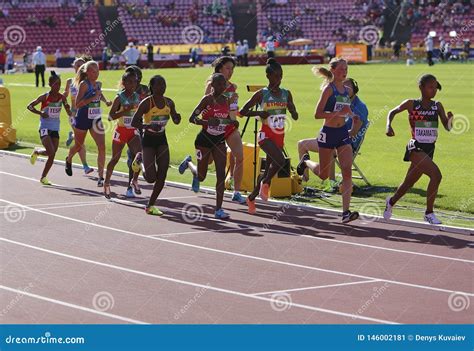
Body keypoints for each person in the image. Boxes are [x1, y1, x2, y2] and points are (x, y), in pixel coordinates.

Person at [296, 58, 361, 223]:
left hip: (342, 133)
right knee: (324, 175)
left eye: (346, 69)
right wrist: (338, 114)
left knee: (347, 171)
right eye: (341, 69)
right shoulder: (328, 90)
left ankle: (345, 212)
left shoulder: (346, 90)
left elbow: (345, 111)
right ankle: (305, 162)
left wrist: (353, 117)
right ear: (333, 70)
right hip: (328, 133)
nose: (344, 72)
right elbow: (317, 114)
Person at [384, 74, 454, 225]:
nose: (434, 90)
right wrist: (388, 125)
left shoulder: (437, 106)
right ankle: (429, 213)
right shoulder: (412, 104)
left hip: (429, 149)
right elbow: (392, 112)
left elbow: (447, 127)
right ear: (421, 88)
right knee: (436, 175)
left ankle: (391, 201)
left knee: (409, 183)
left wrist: (450, 120)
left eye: (435, 87)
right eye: (430, 87)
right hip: (415, 147)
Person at [239, 59, 298, 214]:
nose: (278, 79)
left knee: (269, 170)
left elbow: (293, 111)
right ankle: (266, 183)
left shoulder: (286, 93)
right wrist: (258, 113)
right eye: (275, 76)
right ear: (268, 76)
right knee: (279, 161)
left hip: (279, 136)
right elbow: (242, 111)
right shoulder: (261, 94)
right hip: (265, 135)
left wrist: (293, 111)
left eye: (281, 76)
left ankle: (251, 198)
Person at [186, 56, 245, 204]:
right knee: (207, 166)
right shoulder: (210, 86)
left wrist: (236, 113)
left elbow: (233, 110)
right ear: (219, 69)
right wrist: (211, 121)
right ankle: (191, 166)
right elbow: (206, 109)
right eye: (227, 68)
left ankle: (236, 192)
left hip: (229, 127)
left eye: (232, 69)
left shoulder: (233, 87)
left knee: (240, 156)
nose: (230, 72)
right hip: (211, 130)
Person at [179, 73, 237, 219]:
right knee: (201, 176)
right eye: (219, 84)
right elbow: (192, 118)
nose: (222, 87)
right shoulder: (207, 100)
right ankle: (189, 163)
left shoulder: (226, 100)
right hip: (204, 140)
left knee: (220, 175)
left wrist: (232, 123)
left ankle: (218, 209)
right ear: (213, 85)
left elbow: (225, 120)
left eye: (224, 84)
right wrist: (207, 122)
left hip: (219, 140)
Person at [297, 78, 368, 192]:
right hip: (332, 139)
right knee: (301, 144)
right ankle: (304, 181)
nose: (344, 88)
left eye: (347, 86)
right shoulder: (340, 101)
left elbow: (353, 132)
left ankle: (332, 183)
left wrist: (338, 135)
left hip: (347, 143)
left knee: (331, 148)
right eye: (343, 85)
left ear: (354, 90)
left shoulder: (360, 107)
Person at [131, 75, 181, 215]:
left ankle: (150, 205)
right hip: (148, 140)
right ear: (152, 87)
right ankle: (139, 161)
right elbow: (134, 122)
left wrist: (177, 118)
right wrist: (148, 125)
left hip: (161, 139)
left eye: (163, 84)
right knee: (150, 178)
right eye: (158, 85)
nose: (162, 87)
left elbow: (175, 119)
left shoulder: (169, 102)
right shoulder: (147, 103)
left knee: (162, 174)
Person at [65, 61, 112, 186]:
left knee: (102, 147)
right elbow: (78, 104)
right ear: (87, 72)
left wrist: (106, 101)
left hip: (96, 118)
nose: (96, 73)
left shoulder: (98, 84)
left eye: (97, 71)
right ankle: (69, 159)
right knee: (79, 146)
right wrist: (93, 97)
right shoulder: (83, 84)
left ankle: (101, 177)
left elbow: (99, 94)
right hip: (83, 118)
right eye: (93, 71)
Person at [27, 71, 71, 185]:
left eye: (59, 84)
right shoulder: (44, 97)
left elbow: (68, 111)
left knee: (52, 153)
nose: (58, 86)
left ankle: (43, 176)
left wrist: (70, 111)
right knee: (51, 152)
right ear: (50, 85)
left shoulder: (62, 98)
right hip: (44, 127)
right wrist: (40, 112)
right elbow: (30, 106)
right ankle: (38, 158)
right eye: (55, 84)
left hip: (55, 128)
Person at [104, 71, 142, 199]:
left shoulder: (137, 96)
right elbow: (110, 117)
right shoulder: (119, 98)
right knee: (115, 159)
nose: (133, 84)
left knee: (140, 155)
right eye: (130, 82)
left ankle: (134, 180)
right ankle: (106, 182)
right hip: (121, 131)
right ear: (124, 83)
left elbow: (139, 113)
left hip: (132, 131)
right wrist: (125, 110)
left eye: (135, 82)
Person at [63, 57, 94, 174]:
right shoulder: (70, 82)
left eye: (81, 65)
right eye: (77, 65)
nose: (79, 67)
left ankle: (72, 136)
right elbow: (64, 96)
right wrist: (66, 107)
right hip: (74, 115)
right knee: (80, 142)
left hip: (86, 114)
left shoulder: (88, 82)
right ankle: (85, 166)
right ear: (74, 67)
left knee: (79, 141)